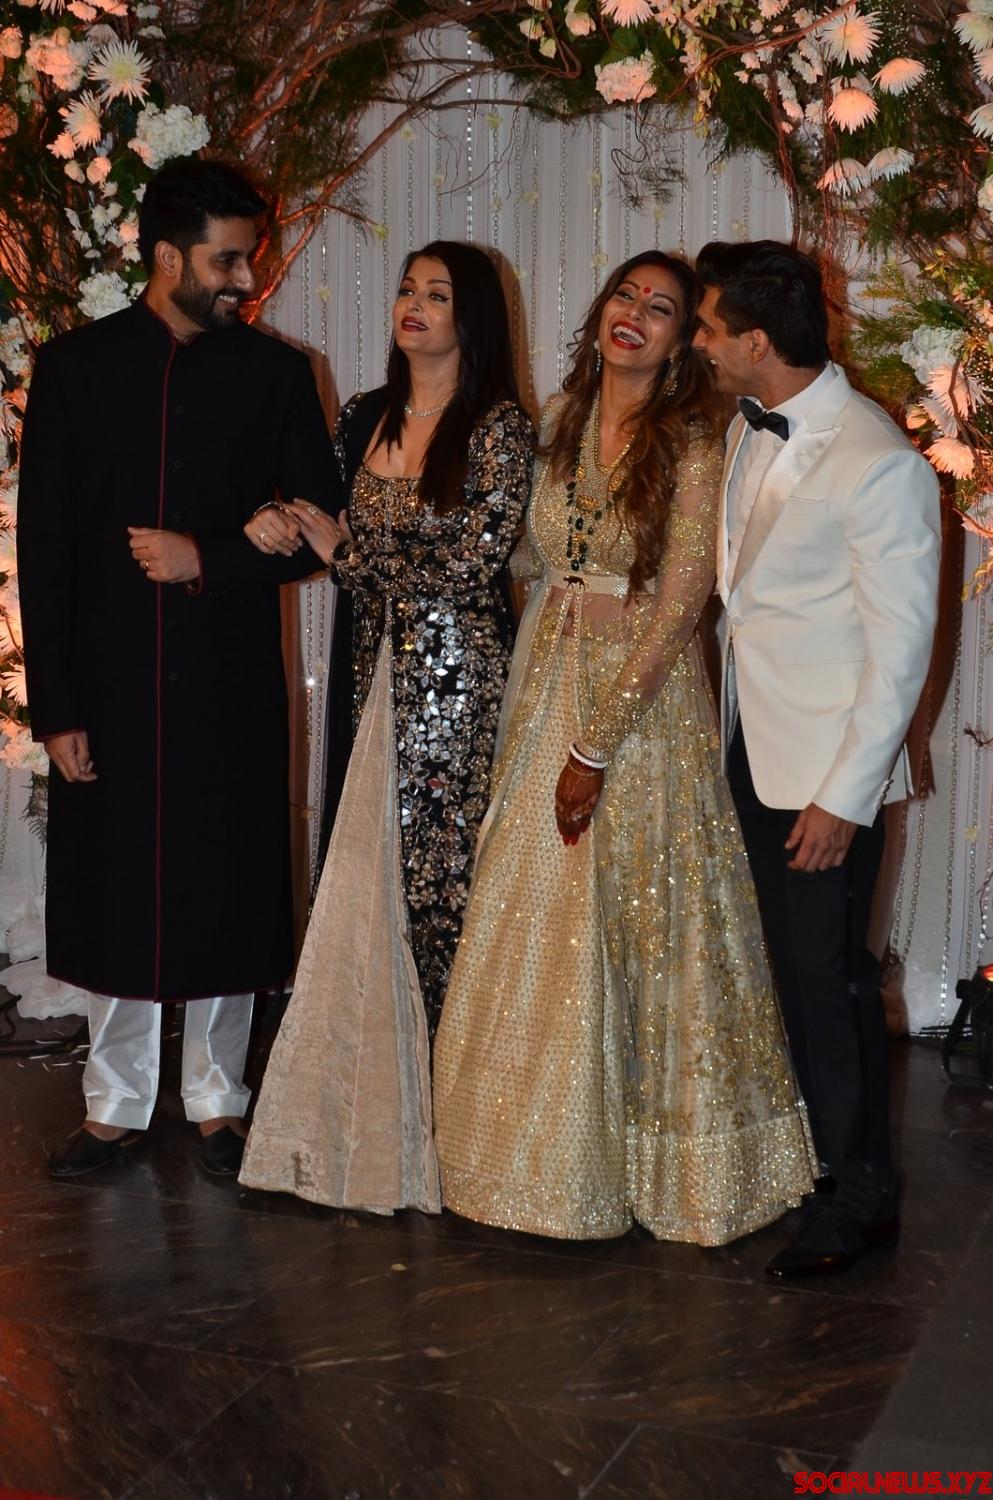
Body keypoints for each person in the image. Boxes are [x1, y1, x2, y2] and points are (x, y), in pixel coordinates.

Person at [432, 252, 817, 1245]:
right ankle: (527, 1163)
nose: (635, 316)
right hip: (546, 679)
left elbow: (684, 601)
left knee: (648, 921)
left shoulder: (694, 439)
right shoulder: (558, 422)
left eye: (662, 308)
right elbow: (527, 556)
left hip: (643, 712)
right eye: (624, 297)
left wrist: (595, 745)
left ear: (685, 337)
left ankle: (669, 1172)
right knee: (536, 914)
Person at [17, 158, 338, 1179]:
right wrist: (55, 705)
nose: (247, 280)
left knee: (226, 881)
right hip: (106, 681)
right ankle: (113, 1105)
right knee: (115, 885)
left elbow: (322, 522)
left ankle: (218, 1100)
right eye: (228, 261)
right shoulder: (75, 368)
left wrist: (211, 556)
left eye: (250, 259)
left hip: (229, 677)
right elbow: (44, 549)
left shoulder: (277, 375)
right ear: (166, 256)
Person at [238, 241, 535, 1213]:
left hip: (458, 686)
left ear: (471, 317)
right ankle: (368, 1112)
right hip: (370, 676)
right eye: (407, 289)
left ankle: (455, 1128)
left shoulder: (498, 427)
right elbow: (319, 512)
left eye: (437, 295)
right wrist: (277, 518)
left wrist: (348, 554)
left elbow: (471, 565)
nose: (413, 305)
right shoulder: (365, 413)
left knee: (443, 895)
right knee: (363, 875)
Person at [692, 239, 941, 1276]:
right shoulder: (748, 426)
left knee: (832, 987)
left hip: (827, 778)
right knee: (795, 981)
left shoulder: (878, 461)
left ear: (756, 341)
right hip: (757, 749)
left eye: (708, 329)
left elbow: (900, 655)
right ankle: (826, 1168)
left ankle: (859, 1198)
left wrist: (844, 800)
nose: (699, 344)